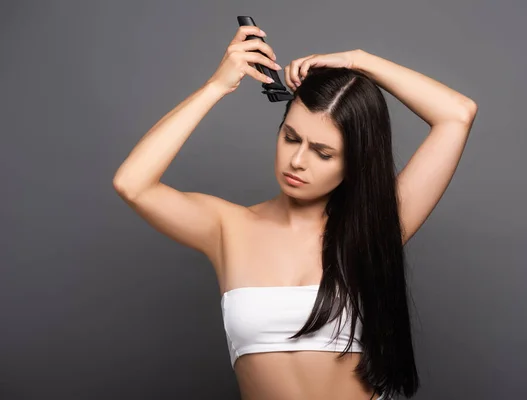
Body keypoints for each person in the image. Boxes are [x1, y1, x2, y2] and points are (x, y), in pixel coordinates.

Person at [113, 24, 477, 400]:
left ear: (354, 164)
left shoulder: (375, 228)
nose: (297, 161)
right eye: (290, 137)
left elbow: (457, 113)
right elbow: (133, 183)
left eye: (323, 153)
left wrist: (358, 61)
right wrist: (216, 87)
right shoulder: (228, 227)